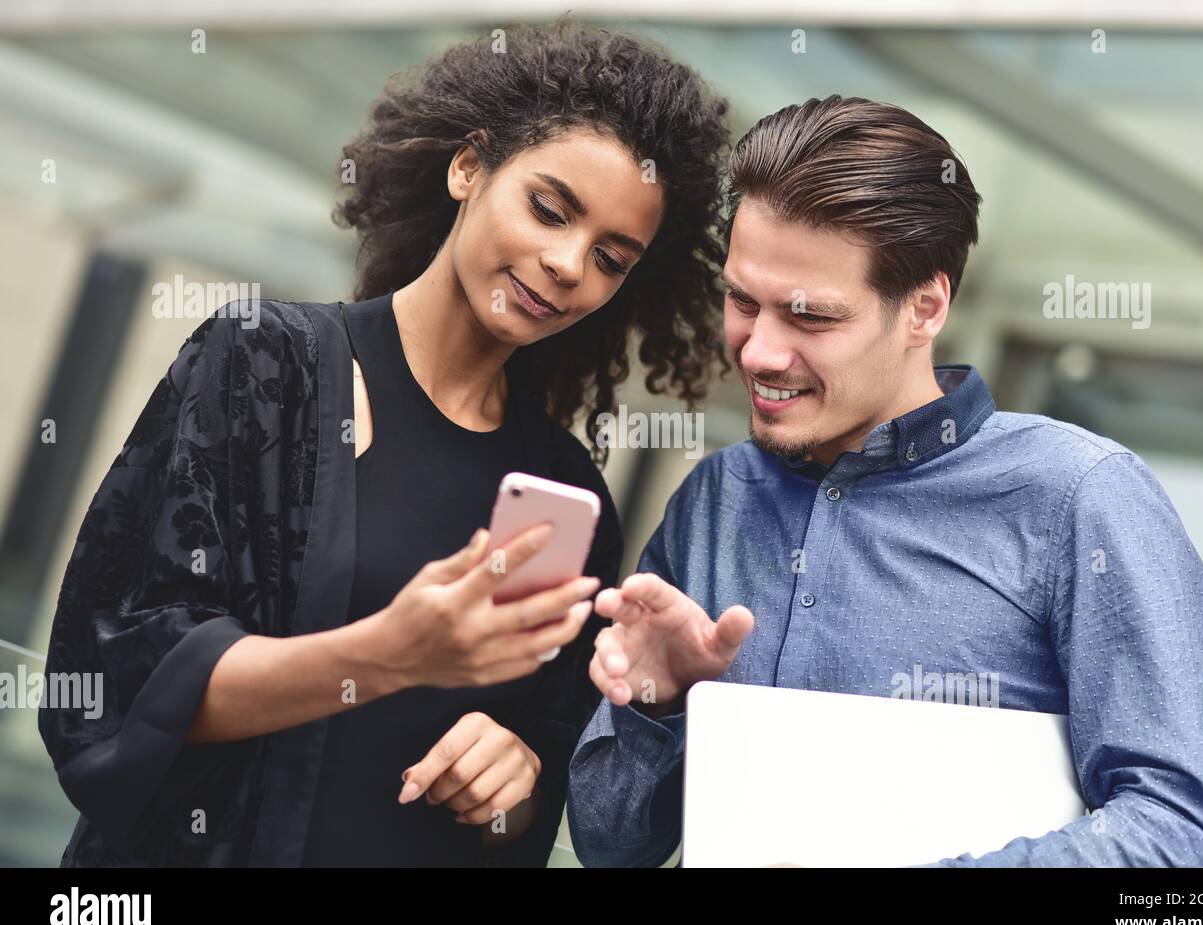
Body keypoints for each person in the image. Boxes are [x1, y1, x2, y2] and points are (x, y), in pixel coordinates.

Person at [39, 17, 730, 867]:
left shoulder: (564, 494)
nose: (568, 263)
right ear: (468, 166)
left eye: (612, 257)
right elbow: (122, 678)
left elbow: (527, 814)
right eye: (549, 209)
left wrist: (510, 781)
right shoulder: (264, 362)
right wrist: (390, 653)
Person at [566, 95, 1203, 868]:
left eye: (810, 316)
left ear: (925, 306)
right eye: (742, 301)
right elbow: (610, 847)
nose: (758, 351)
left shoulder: (1080, 498)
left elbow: (1196, 847)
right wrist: (656, 706)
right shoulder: (717, 500)